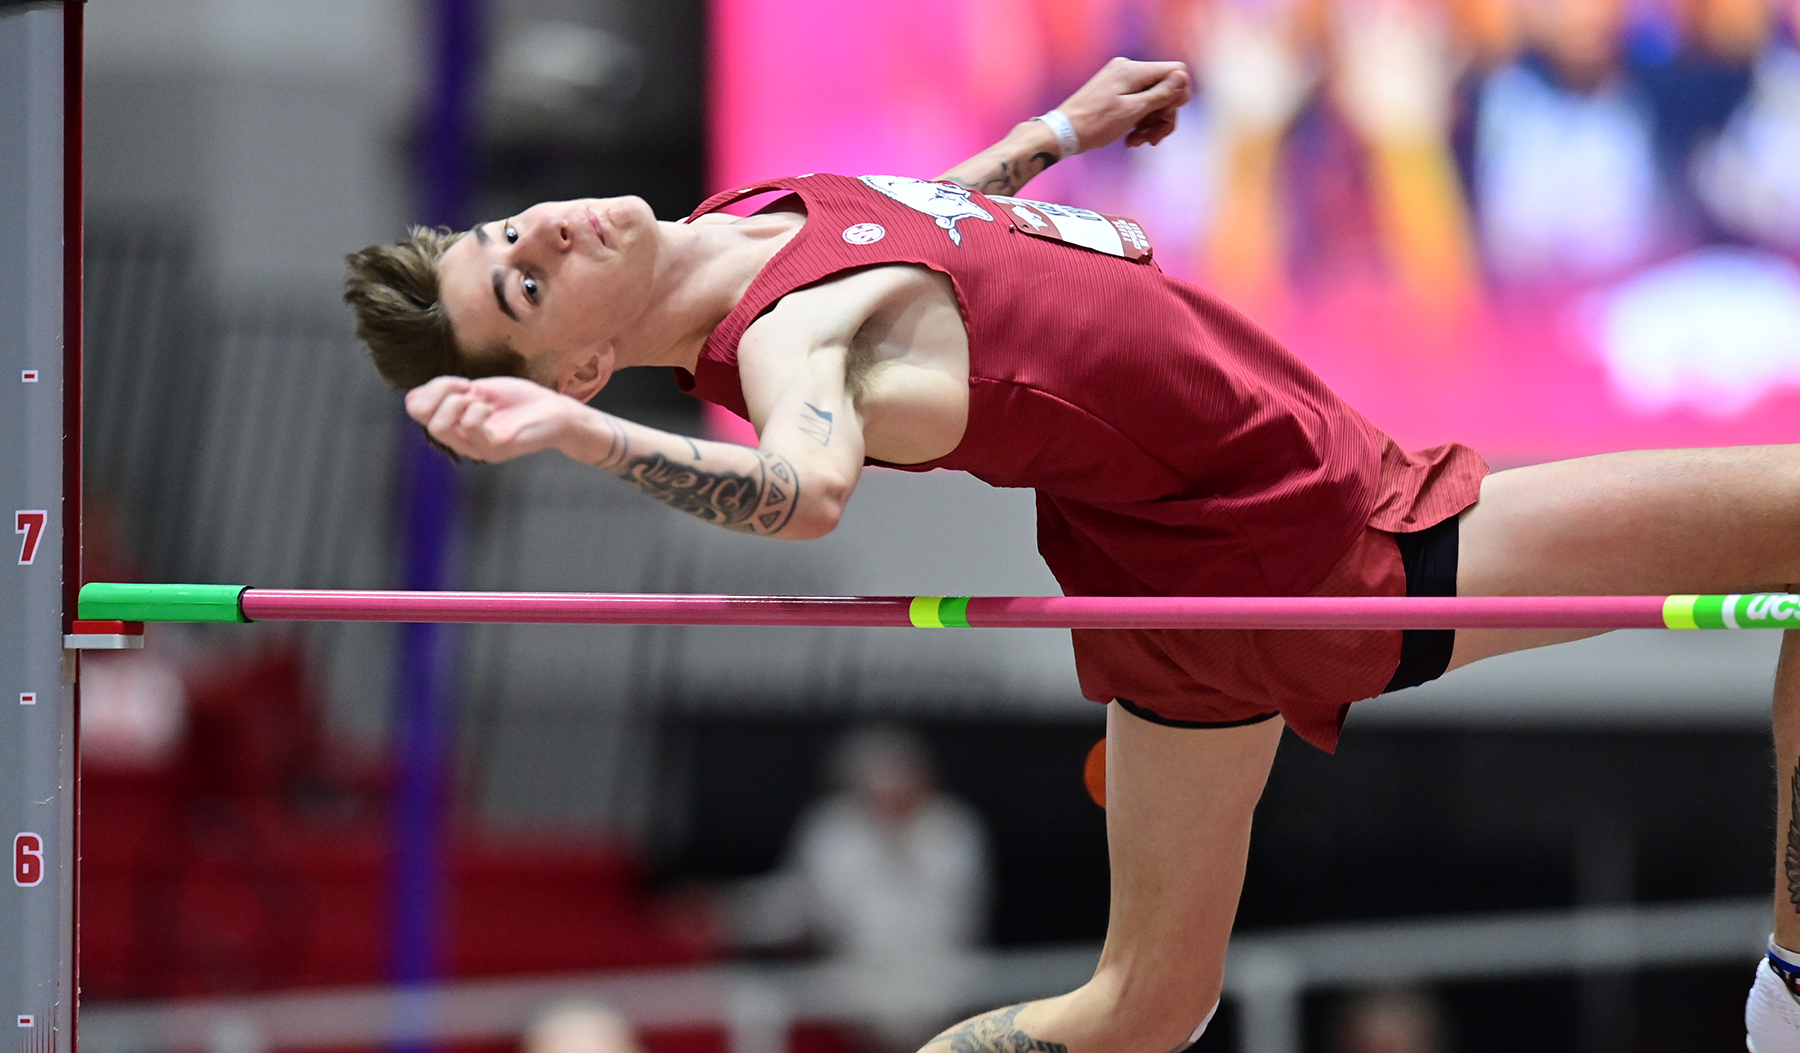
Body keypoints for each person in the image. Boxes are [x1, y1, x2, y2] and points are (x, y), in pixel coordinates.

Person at [343, 58, 1800, 1053]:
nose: (540, 231)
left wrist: (1057, 130)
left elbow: (909, 232)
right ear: (585, 365)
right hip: (1314, 544)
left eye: (505, 232)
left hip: (1179, 570)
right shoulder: (788, 342)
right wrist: (576, 441)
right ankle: (1791, 995)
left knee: (1142, 1009)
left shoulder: (743, 227)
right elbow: (804, 490)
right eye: (523, 287)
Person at [725, 725, 989, 1051]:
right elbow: (798, 904)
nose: (890, 793)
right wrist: (727, 912)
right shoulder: (831, 829)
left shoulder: (953, 827)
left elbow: (954, 921)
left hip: (938, 986)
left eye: (901, 779)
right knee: (758, 998)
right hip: (852, 990)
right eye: (878, 783)